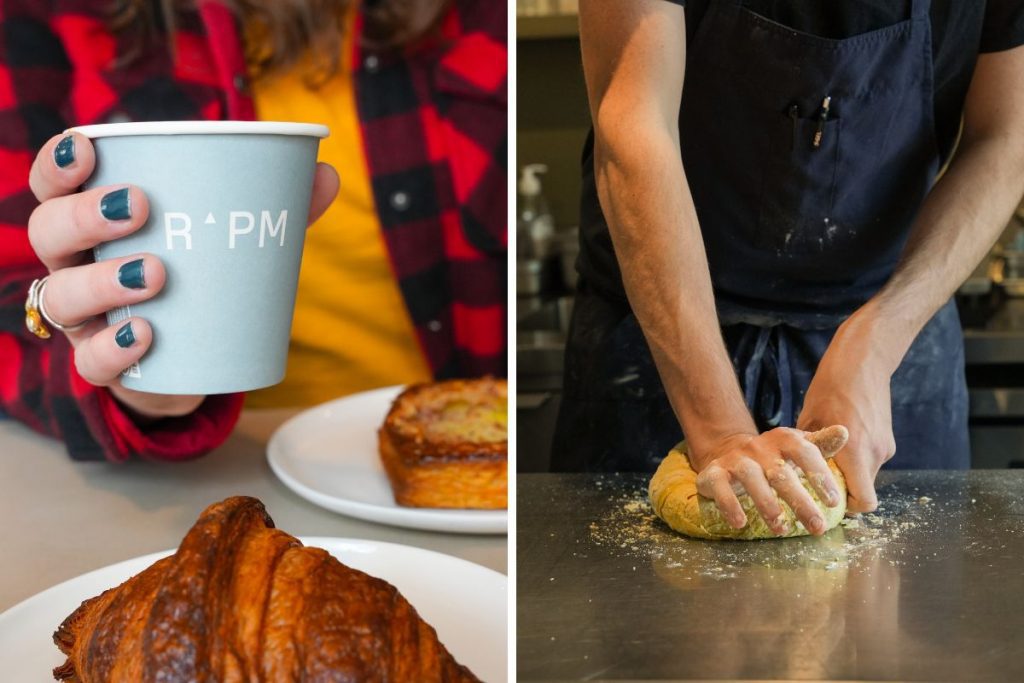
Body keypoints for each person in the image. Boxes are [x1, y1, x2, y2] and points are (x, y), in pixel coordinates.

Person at [552, 0, 1024, 534]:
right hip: (663, 332)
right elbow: (634, 121)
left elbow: (1006, 137)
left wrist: (878, 338)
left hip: (894, 331)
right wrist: (723, 431)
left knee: (897, 608)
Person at [0, 0, 506, 462]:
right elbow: (11, 299)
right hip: (208, 475)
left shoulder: (480, 17)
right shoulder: (45, 18)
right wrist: (128, 380)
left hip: (458, 453)